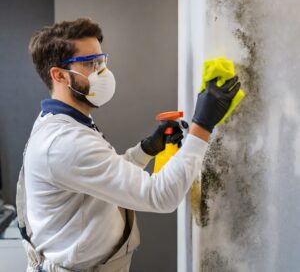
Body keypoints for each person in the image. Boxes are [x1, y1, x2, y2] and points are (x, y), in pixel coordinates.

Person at [16, 18, 241, 272]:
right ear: (58, 75)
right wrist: (202, 126)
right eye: (91, 64)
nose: (103, 72)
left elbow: (98, 178)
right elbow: (161, 196)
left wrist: (145, 150)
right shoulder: (64, 141)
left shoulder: (65, 122)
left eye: (102, 61)